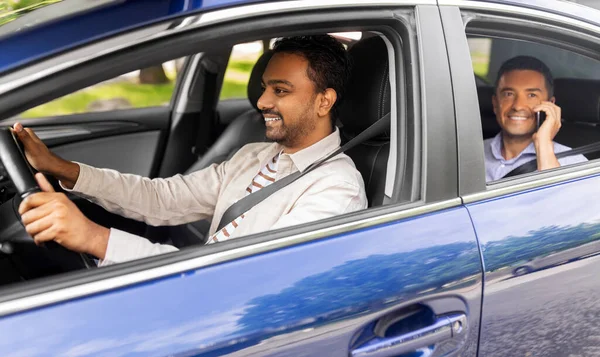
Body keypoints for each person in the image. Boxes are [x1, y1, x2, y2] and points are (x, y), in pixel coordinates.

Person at [15, 35, 367, 266]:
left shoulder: (336, 190)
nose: (261, 101)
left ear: (324, 101)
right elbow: (162, 197)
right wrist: (60, 167)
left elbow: (241, 281)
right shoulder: (254, 155)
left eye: (280, 90)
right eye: (264, 87)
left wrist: (94, 238)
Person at [484, 56, 587, 182]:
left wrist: (543, 144)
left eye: (531, 95)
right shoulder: (468, 154)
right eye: (509, 94)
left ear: (550, 104)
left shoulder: (573, 162)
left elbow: (561, 200)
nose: (518, 106)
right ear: (495, 104)